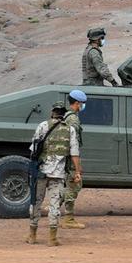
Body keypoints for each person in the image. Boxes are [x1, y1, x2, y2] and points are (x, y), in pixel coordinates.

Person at [27, 101, 81, 246]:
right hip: (57, 174)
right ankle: (52, 238)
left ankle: (32, 235)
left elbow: (33, 150)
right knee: (54, 204)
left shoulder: (42, 126)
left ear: (52, 112)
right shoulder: (70, 130)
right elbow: (74, 153)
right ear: (63, 114)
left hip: (41, 172)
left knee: (36, 202)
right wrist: (77, 171)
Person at [61, 89, 87, 229]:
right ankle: (68, 219)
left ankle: (54, 206)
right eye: (82, 103)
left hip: (66, 158)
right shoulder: (73, 119)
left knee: (69, 186)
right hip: (71, 159)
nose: (83, 106)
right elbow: (73, 144)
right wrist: (77, 167)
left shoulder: (66, 116)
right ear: (77, 103)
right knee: (74, 185)